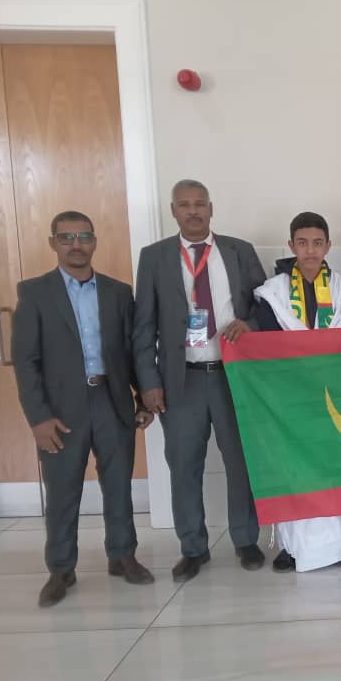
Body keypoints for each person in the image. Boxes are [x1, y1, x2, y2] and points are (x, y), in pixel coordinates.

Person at [12, 210, 155, 607]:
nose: (76, 245)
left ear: (94, 242)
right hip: (60, 411)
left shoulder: (117, 292)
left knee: (118, 486)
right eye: (66, 237)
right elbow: (26, 361)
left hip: (112, 401)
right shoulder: (35, 293)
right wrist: (38, 417)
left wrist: (141, 397)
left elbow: (131, 351)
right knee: (62, 490)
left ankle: (123, 556)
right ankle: (61, 569)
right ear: (53, 243)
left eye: (84, 237)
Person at [133, 179, 267, 583]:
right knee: (183, 465)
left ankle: (245, 539)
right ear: (173, 211)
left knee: (241, 463)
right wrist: (148, 382)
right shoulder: (154, 257)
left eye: (199, 204)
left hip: (233, 377)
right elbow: (143, 326)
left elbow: (267, 306)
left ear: (211, 208)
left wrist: (250, 323)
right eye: (184, 205)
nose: (193, 211)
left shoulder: (240, 251)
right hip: (181, 381)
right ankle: (193, 548)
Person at [253, 211, 341, 573]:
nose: (310, 251)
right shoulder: (273, 293)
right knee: (293, 469)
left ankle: (340, 546)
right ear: (291, 245)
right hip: (291, 396)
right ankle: (291, 546)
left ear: (328, 246)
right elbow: (269, 344)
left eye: (317, 243)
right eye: (302, 243)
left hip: (333, 392)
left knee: (333, 468)